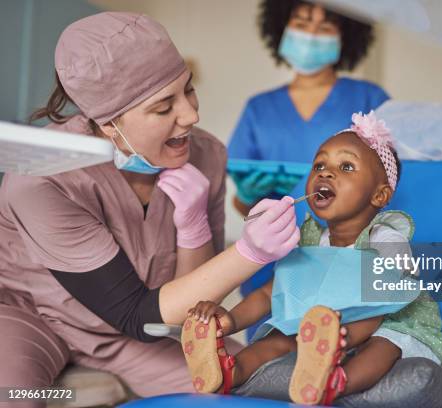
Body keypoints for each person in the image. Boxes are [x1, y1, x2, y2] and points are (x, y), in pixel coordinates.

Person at [0, 12, 299, 406]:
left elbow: (182, 310)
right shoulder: (42, 178)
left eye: (188, 90)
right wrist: (251, 253)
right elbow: (137, 314)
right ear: (108, 123)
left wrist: (193, 229)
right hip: (30, 317)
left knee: (257, 387)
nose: (191, 115)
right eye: (163, 107)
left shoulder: (206, 155)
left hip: (132, 335)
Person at [182, 112, 442, 405]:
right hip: (324, 333)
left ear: (379, 195)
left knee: (385, 346)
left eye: (346, 166)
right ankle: (228, 373)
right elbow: (269, 292)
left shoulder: (387, 239)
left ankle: (336, 382)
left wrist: (340, 338)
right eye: (319, 165)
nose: (325, 173)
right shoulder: (310, 240)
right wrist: (229, 321)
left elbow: (380, 303)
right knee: (277, 338)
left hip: (388, 322)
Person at [228, 0, 390, 215]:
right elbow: (244, 207)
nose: (311, 35)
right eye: (301, 25)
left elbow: (394, 184)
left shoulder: (371, 99)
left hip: (350, 243)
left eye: (324, 28)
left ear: (346, 38)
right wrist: (246, 195)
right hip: (279, 244)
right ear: (282, 29)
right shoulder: (258, 108)